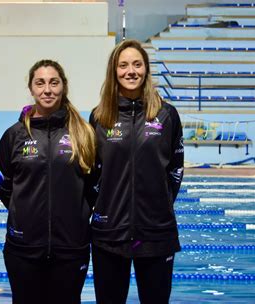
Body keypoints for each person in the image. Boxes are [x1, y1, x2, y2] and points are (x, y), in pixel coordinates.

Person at [89, 39, 184, 303]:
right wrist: (107, 207)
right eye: (123, 65)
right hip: (109, 234)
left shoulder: (167, 115)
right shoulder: (99, 117)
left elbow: (176, 169)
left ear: (146, 69)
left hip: (156, 232)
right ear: (114, 71)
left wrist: (159, 205)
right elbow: (93, 173)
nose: (131, 71)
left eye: (137, 64)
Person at [0, 59, 96, 304]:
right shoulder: (14, 136)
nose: (47, 89)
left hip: (71, 247)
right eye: (40, 83)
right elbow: (2, 185)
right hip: (23, 248)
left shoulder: (83, 133)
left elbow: (94, 185)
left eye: (53, 82)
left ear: (64, 86)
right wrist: (27, 213)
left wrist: (77, 216)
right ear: (31, 88)